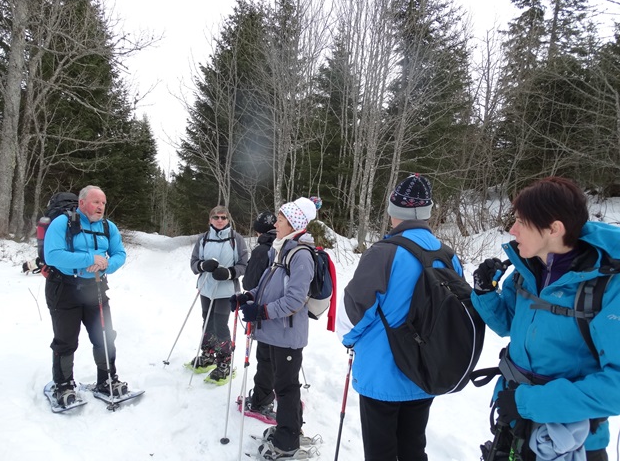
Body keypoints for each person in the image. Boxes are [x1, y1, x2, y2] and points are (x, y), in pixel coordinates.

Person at [472, 177, 620, 461]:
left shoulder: (607, 286)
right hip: (514, 427)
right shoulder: (529, 269)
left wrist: (528, 402)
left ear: (554, 229)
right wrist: (485, 292)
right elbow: (508, 325)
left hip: (570, 441)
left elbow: (615, 387)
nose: (512, 230)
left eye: (522, 223)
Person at [336, 174, 464, 461]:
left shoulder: (383, 253)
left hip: (382, 373)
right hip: (425, 371)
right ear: (428, 212)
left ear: (394, 210)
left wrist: (349, 341)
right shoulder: (448, 256)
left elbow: (355, 310)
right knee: (413, 448)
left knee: (380, 452)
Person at [233, 197, 317, 460]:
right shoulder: (279, 249)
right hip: (272, 331)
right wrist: (249, 296)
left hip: (287, 334)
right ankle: (289, 430)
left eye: (280, 219)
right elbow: (268, 286)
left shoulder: (301, 254)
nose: (275, 223)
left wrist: (263, 311)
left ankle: (287, 441)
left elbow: (294, 300)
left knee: (286, 387)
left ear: (293, 223)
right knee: (282, 384)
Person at [44, 185, 127, 407]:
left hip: (96, 288)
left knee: (104, 335)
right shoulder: (62, 223)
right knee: (66, 340)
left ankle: (107, 379)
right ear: (82, 203)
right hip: (64, 288)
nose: (100, 207)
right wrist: (89, 259)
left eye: (103, 203)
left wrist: (107, 265)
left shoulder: (109, 227)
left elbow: (120, 254)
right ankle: (63, 385)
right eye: (95, 202)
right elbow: (52, 256)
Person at [189, 205, 248, 384]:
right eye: (216, 217)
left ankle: (224, 362)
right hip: (206, 288)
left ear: (228, 220)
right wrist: (202, 266)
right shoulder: (204, 238)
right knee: (206, 320)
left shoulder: (236, 239)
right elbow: (193, 263)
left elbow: (244, 264)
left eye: (223, 217)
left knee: (220, 324)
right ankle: (208, 354)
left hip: (226, 291)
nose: (220, 220)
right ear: (210, 220)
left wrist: (229, 272)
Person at [239, 211, 278, 419]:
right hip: (286, 316)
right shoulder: (287, 246)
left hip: (264, 310)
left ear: (258, 230)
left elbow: (249, 283)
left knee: (265, 356)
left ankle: (262, 400)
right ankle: (279, 392)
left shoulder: (262, 249)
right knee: (282, 356)